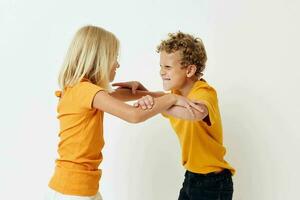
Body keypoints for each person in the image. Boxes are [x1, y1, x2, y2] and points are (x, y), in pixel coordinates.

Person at [46, 26, 203, 200]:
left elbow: (119, 95)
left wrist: (150, 93)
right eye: (114, 58)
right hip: (74, 191)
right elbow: (133, 115)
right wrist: (171, 100)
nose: (118, 64)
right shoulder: (87, 91)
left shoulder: (78, 89)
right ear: (99, 59)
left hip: (75, 187)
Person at [114, 31, 235, 200]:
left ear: (190, 70)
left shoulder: (204, 92)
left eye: (168, 67)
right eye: (161, 67)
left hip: (213, 183)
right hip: (192, 177)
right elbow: (164, 99)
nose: (162, 72)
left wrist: (159, 104)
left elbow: (195, 112)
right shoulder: (175, 93)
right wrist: (139, 90)